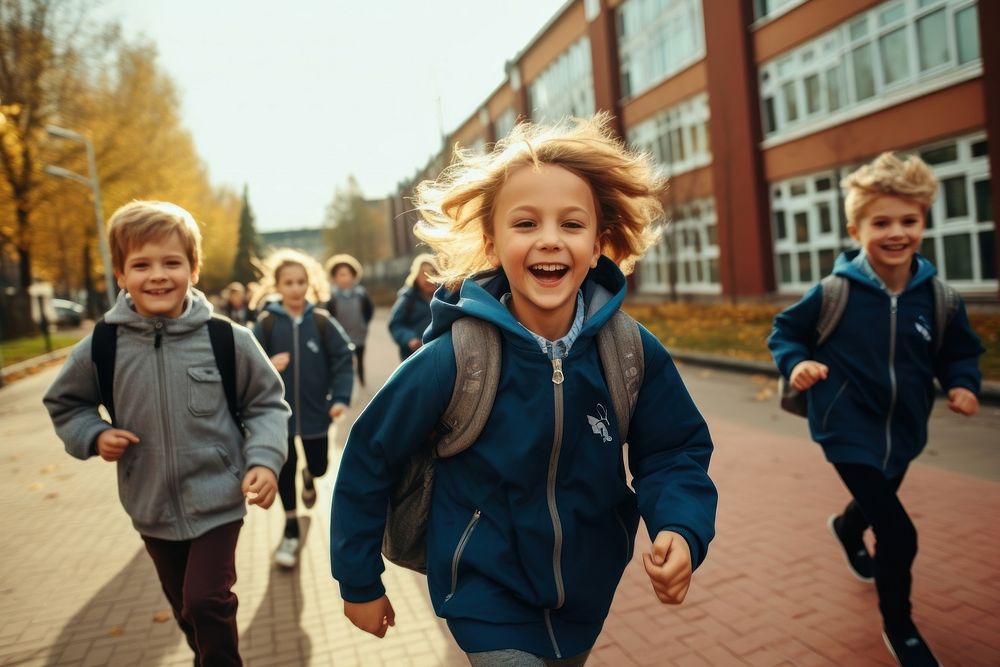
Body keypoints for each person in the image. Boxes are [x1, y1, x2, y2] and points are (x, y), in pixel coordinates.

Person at [331, 113, 718, 665]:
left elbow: (675, 449)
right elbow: (369, 455)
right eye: (526, 223)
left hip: (585, 593)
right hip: (483, 592)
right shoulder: (456, 357)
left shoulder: (629, 351)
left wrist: (681, 526)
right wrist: (358, 580)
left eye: (572, 224)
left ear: (599, 241)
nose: (550, 240)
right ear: (492, 242)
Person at [43, 201, 290, 666]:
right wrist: (94, 434)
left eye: (171, 262)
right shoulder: (102, 345)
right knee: (186, 610)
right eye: (141, 264)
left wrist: (263, 460)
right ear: (120, 273)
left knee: (205, 601)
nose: (157, 275)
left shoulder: (227, 338)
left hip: (218, 499)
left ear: (193, 269)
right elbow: (65, 403)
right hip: (150, 505)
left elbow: (266, 404)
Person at [767, 153, 983, 667]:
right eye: (880, 222)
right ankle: (901, 627)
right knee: (898, 531)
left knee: (876, 502)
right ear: (855, 227)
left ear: (924, 222)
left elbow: (959, 350)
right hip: (844, 426)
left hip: (905, 430)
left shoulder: (939, 298)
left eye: (908, 221)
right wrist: (797, 364)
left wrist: (962, 383)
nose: (896, 233)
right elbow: (787, 332)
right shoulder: (836, 292)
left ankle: (846, 527)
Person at [250, 248, 354, 568]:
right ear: (277, 286)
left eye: (301, 282)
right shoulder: (266, 325)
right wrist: (268, 364)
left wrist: (339, 398)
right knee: (284, 468)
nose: (295, 289)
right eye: (288, 283)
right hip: (276, 417)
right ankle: (291, 526)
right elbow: (247, 366)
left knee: (320, 466)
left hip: (315, 413)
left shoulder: (322, 322)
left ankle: (310, 476)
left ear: (309, 284)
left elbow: (343, 358)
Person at [324, 253, 374, 387]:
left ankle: (361, 379)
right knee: (343, 360)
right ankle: (346, 384)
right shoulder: (331, 297)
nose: (345, 278)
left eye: (347, 274)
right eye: (341, 274)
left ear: (353, 275)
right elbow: (328, 316)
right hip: (340, 335)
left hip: (359, 333)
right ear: (334, 277)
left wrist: (363, 324)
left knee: (360, 358)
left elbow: (369, 311)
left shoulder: (361, 293)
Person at [387, 253, 437, 361]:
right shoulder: (408, 298)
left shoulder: (445, 297)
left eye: (432, 273)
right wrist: (409, 338)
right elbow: (395, 324)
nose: (428, 278)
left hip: (439, 354)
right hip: (414, 356)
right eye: (424, 274)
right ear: (416, 277)